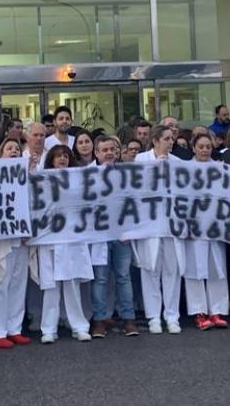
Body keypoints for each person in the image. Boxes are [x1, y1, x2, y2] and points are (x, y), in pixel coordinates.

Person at [36, 145, 93, 343]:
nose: (62, 159)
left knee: (72, 284)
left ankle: (79, 326)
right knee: (51, 287)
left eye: (65, 156)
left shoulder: (78, 180)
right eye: (58, 156)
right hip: (50, 238)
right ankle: (48, 329)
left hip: (71, 238)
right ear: (51, 160)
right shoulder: (42, 180)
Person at [0, 138, 33, 350]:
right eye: (9, 148)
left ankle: (15, 328)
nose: (14, 151)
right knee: (0, 281)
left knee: (18, 282)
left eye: (17, 149)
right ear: (1, 153)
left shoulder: (26, 176)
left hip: (22, 236)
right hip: (1, 237)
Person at [134, 125, 185, 334]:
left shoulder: (178, 162)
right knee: (151, 270)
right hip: (150, 224)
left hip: (171, 224)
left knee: (172, 271)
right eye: (166, 139)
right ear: (155, 141)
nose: (170, 142)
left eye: (172, 139)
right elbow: (137, 189)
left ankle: (172, 316)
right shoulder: (141, 160)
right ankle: (153, 316)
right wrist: (157, 167)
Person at [87, 135, 139, 338]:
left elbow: (134, 202)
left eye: (112, 149)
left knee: (123, 277)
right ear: (96, 153)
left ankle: (128, 319)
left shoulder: (126, 174)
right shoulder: (86, 175)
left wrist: (130, 230)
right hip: (98, 234)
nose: (109, 153)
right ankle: (99, 320)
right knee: (100, 279)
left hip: (121, 233)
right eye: (104, 150)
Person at [180, 133, 230, 330]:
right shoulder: (185, 169)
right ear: (193, 148)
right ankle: (199, 311)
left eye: (208, 146)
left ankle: (217, 310)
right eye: (200, 146)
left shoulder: (220, 168)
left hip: (215, 226)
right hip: (194, 226)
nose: (204, 150)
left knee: (217, 268)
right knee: (195, 269)